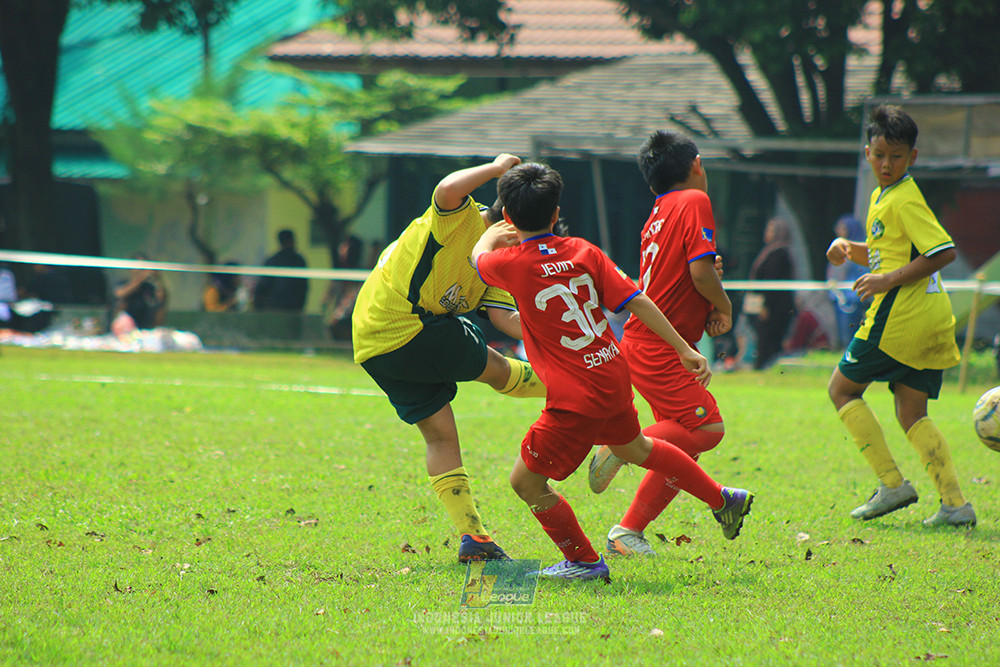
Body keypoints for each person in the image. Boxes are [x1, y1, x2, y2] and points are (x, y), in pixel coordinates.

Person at [472, 162, 753, 582]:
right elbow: (637, 300)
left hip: (574, 395)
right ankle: (722, 498)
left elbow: (477, 258)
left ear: (509, 217)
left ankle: (584, 562)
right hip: (611, 372)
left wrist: (491, 235)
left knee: (526, 483)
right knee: (637, 448)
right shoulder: (584, 251)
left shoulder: (511, 262)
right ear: (556, 213)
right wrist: (683, 348)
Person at [351, 154, 547, 564]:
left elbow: (503, 318)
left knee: (440, 436)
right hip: (407, 323)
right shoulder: (462, 218)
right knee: (497, 369)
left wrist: (552, 327)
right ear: (509, 221)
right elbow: (446, 189)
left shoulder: (500, 261)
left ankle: (473, 537)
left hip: (372, 345)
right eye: (529, 234)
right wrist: (496, 168)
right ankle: (576, 390)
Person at [585, 129, 736, 557]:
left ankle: (627, 533)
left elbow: (688, 272)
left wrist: (706, 291)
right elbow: (699, 274)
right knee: (706, 428)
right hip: (659, 344)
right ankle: (620, 444)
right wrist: (724, 305)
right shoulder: (695, 199)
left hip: (650, 340)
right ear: (697, 165)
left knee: (681, 447)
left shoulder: (659, 210)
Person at [826, 104, 975, 528]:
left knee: (842, 390)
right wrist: (849, 248)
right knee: (912, 413)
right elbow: (888, 253)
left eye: (896, 156)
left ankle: (892, 485)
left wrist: (886, 281)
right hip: (931, 317)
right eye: (879, 155)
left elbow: (942, 252)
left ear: (913, 156)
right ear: (867, 154)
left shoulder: (904, 198)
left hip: (902, 315)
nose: (886, 164)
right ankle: (955, 505)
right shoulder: (883, 196)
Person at [747, 217, 796, 369]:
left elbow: (772, 282)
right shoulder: (770, 251)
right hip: (766, 305)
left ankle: (765, 367)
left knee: (769, 339)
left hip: (774, 307)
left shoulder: (779, 254)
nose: (766, 233)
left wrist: (765, 305)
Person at [826, 214, 867, 347]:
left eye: (842, 227)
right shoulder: (839, 251)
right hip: (839, 300)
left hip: (854, 301)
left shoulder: (861, 253)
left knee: (853, 339)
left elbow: (862, 276)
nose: (838, 230)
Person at [111, 253, 168, 334]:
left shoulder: (149, 288)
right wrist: (141, 278)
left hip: (144, 330)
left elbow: (160, 299)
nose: (140, 270)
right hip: (123, 330)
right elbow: (120, 294)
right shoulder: (122, 283)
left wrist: (156, 278)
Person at [254, 229, 308, 312]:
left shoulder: (273, 261)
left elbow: (263, 286)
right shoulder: (299, 261)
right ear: (292, 241)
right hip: (294, 309)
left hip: (273, 308)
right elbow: (303, 287)